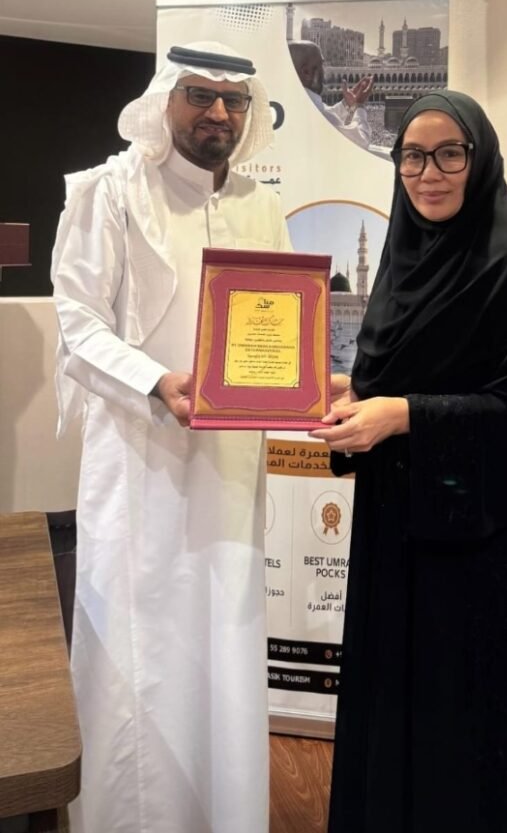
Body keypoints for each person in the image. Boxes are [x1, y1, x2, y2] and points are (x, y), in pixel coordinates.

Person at [310, 90, 507, 833]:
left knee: (464, 740)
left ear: (480, 160)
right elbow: (407, 369)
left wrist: (403, 415)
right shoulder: (403, 262)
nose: (428, 173)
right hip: (401, 537)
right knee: (400, 718)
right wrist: (355, 390)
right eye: (412, 156)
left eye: (449, 154)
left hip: (483, 558)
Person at [51, 41, 292, 833]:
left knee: (224, 644)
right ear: (165, 100)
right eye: (200, 95)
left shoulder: (261, 207)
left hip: (229, 468)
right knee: (140, 650)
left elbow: (280, 323)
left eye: (234, 99)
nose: (218, 112)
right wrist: (156, 381)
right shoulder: (108, 191)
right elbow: (77, 322)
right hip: (141, 465)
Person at [288, 39, 373, 149]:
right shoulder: (320, 117)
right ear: (306, 72)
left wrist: (346, 104)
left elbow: (325, 111)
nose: (325, 71)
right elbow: (361, 142)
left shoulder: (292, 102)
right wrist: (359, 106)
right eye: (321, 65)